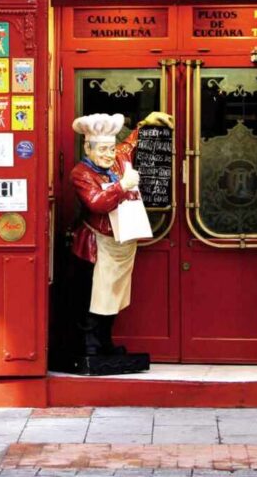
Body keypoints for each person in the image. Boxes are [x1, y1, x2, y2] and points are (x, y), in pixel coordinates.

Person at [70, 111, 173, 356]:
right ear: (88, 149)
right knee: (94, 298)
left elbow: (130, 144)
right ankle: (90, 347)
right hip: (97, 246)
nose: (108, 154)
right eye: (102, 149)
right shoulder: (81, 174)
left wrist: (147, 122)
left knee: (114, 297)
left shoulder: (119, 158)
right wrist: (122, 186)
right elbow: (96, 202)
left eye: (110, 148)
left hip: (122, 243)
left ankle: (105, 343)